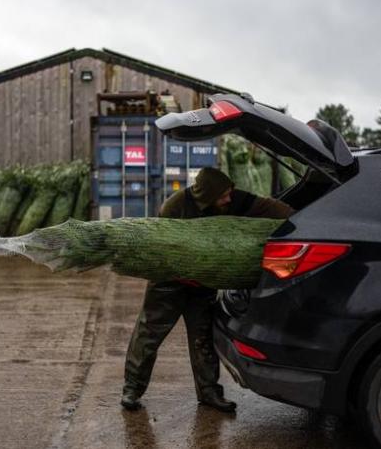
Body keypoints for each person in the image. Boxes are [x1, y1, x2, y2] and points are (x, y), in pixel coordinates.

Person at [121, 167, 294, 413]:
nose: (229, 199)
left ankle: (209, 392)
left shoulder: (233, 200)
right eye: (223, 195)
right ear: (206, 196)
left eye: (229, 193)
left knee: (203, 337)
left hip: (203, 283)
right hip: (169, 282)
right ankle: (132, 388)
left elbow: (268, 207)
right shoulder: (174, 207)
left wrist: (300, 218)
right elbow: (161, 250)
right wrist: (183, 272)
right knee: (149, 334)